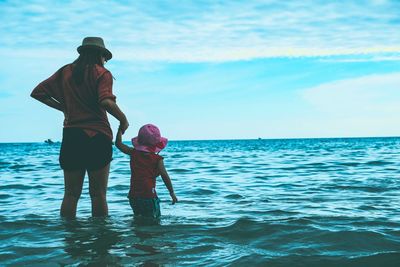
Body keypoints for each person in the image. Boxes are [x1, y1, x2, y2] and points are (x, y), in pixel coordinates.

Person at [31, 37, 129, 218]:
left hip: (72, 136)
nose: (105, 61)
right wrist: (123, 120)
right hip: (97, 136)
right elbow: (106, 101)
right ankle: (101, 240)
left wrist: (64, 107)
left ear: (82, 53)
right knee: (98, 195)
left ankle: (70, 241)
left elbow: (38, 93)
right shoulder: (102, 73)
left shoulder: (65, 72)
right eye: (104, 58)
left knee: (70, 194)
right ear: (100, 54)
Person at [115, 124, 177, 218]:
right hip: (148, 195)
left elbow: (118, 144)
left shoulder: (133, 153)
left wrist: (120, 129)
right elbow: (164, 175)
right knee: (154, 221)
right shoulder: (157, 159)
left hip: (133, 196)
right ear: (157, 144)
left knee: (138, 220)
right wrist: (172, 193)